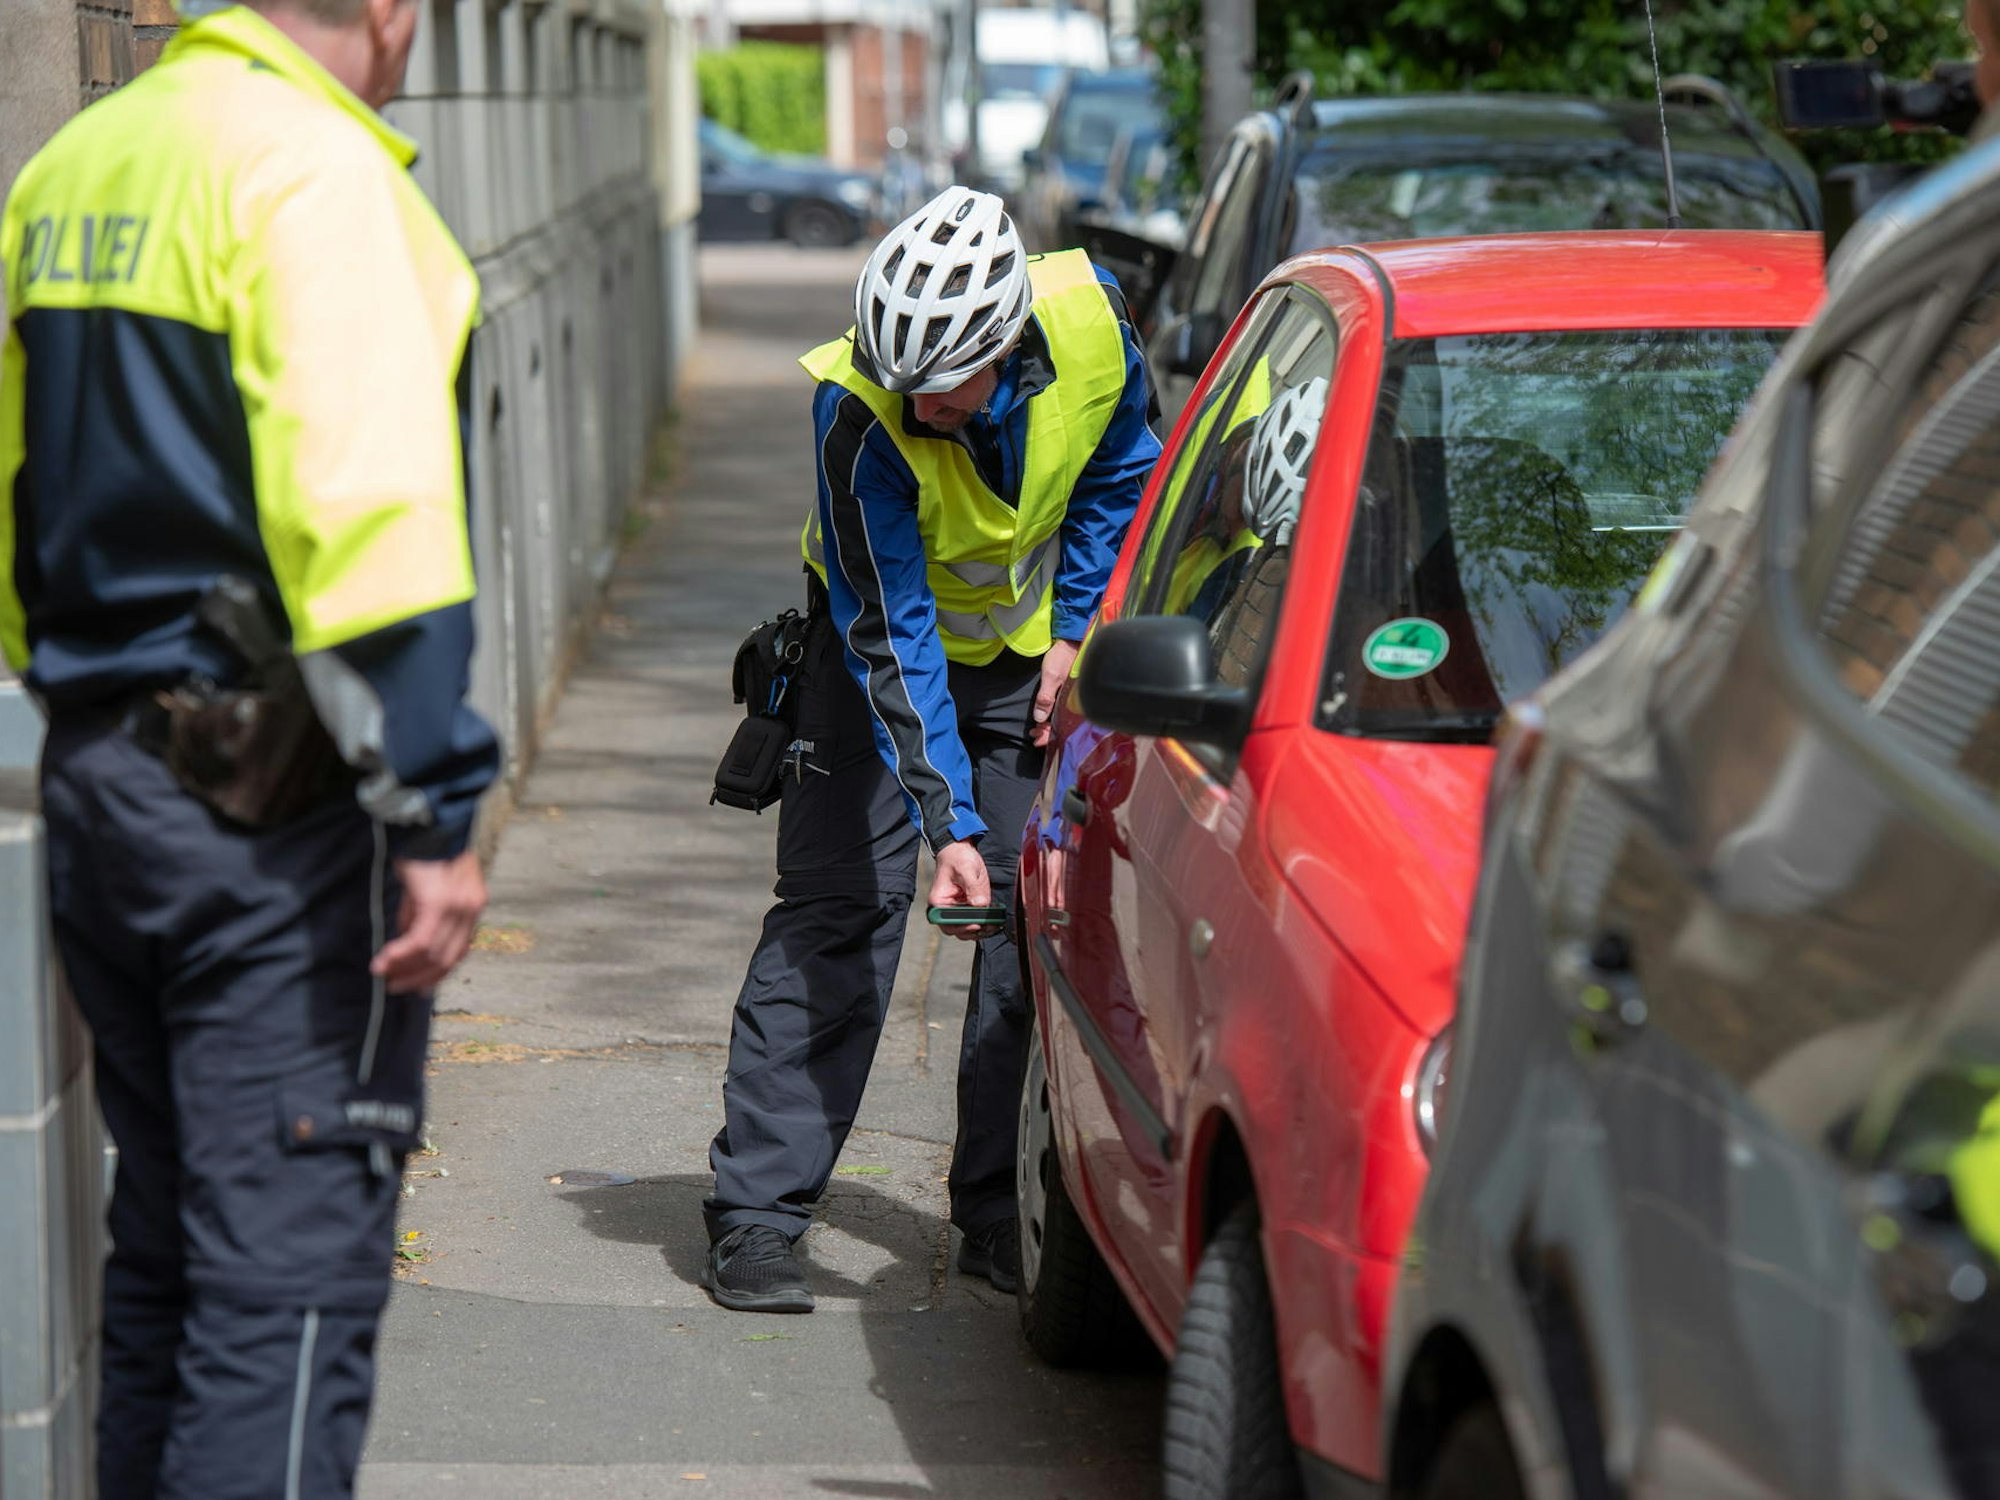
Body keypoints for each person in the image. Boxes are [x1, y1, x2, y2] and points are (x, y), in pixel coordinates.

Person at [0, 0, 498, 1493]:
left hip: (98, 778)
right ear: (392, 17)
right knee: (281, 1306)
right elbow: (370, 533)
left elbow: (19, 477)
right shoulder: (320, 179)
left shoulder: (79, 166)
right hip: (271, 825)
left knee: (162, 1258)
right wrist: (435, 819)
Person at [701, 186, 1162, 1312]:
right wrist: (945, 817)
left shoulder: (1097, 323)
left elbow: (1120, 471)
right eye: (899, 380)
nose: (916, 404)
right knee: (837, 912)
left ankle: (999, 1209)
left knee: (1022, 922)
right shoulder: (856, 412)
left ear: (1003, 342)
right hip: (870, 668)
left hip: (1021, 659)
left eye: (940, 387)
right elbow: (889, 626)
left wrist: (1075, 633)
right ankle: (756, 1217)